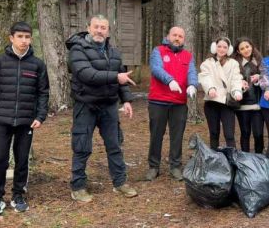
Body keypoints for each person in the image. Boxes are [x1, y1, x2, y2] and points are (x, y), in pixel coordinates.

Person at [67, 15, 138, 203]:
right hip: (86, 104)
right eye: (96, 27)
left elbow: (122, 78)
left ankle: (120, 182)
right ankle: (78, 186)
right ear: (88, 28)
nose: (100, 30)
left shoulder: (113, 52)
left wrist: (127, 100)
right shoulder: (77, 49)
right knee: (82, 146)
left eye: (103, 28)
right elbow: (86, 74)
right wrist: (116, 77)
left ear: (108, 31)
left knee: (115, 145)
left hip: (109, 106)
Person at [0, 22, 49, 216]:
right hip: (1, 120)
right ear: (11, 38)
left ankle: (18, 195)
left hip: (26, 122)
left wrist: (40, 116)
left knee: (22, 161)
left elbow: (43, 92)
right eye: (20, 37)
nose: (24, 41)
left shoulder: (37, 64)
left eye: (27, 37)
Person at [146, 26, 198, 181]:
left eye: (180, 36)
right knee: (156, 135)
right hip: (158, 101)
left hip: (179, 103)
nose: (177, 38)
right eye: (174, 35)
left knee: (177, 135)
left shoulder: (188, 56)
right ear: (168, 36)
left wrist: (193, 84)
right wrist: (169, 80)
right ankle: (153, 166)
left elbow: (192, 72)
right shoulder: (158, 51)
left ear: (183, 39)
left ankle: (175, 166)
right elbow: (156, 68)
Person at [199, 37, 243, 149]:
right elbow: (205, 77)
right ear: (215, 47)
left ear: (228, 49)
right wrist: (210, 88)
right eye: (219, 46)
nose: (221, 49)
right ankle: (215, 160)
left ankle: (232, 161)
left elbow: (236, 78)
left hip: (226, 103)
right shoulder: (207, 63)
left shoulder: (233, 63)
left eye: (225, 47)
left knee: (229, 135)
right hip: (212, 101)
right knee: (214, 133)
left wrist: (237, 90)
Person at [233, 37, 264, 153]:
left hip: (258, 104)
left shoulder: (261, 61)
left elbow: (267, 78)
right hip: (242, 105)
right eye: (242, 48)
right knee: (245, 133)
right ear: (238, 51)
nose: (246, 50)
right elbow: (231, 80)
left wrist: (259, 77)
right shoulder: (235, 64)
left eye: (247, 46)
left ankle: (259, 159)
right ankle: (245, 161)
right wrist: (239, 83)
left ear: (252, 46)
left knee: (258, 134)